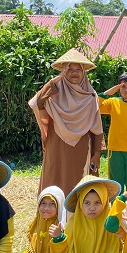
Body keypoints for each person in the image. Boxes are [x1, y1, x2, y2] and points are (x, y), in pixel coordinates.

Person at [29, 49, 103, 196]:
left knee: (79, 184)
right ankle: (53, 213)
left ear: (84, 73)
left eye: (78, 69)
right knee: (54, 179)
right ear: (63, 71)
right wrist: (55, 80)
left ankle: (77, 216)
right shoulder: (54, 93)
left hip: (81, 147)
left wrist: (96, 153)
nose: (74, 73)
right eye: (69, 69)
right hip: (56, 145)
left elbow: (97, 129)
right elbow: (36, 102)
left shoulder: (90, 96)